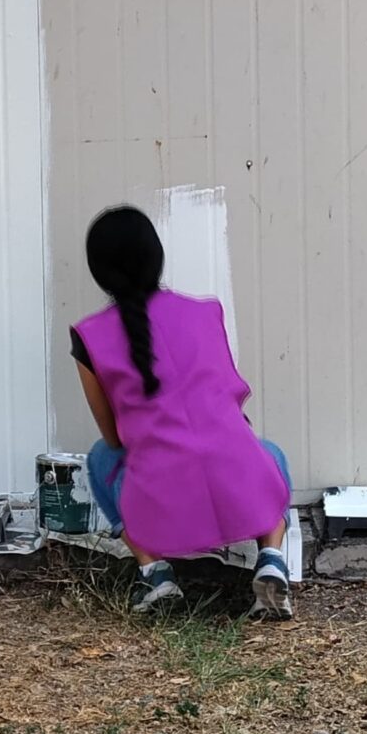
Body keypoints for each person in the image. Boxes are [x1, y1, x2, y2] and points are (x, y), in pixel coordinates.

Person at [72, 205, 294, 620]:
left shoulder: (88, 338)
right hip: (238, 489)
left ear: (99, 271)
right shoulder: (206, 312)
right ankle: (272, 560)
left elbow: (115, 439)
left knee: (100, 458)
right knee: (270, 455)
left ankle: (156, 575)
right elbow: (231, 400)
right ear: (157, 256)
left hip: (161, 502)